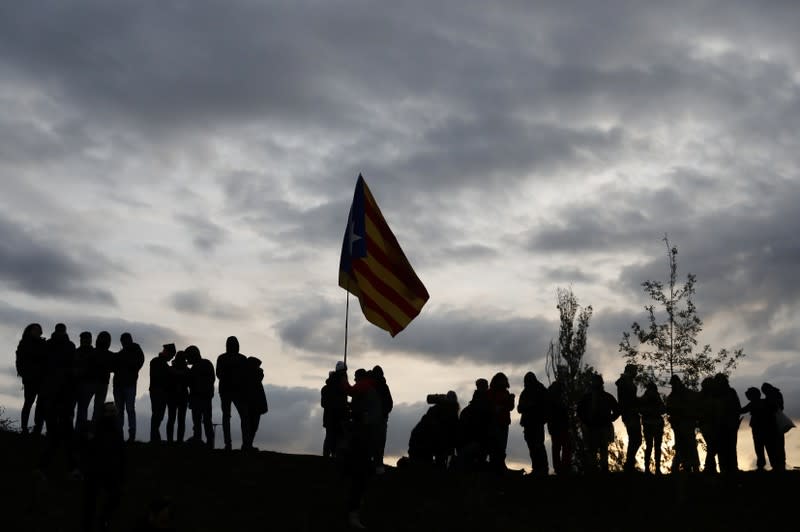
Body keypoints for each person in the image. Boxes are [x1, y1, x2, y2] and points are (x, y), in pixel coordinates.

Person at [39, 323, 78, 473]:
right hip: (58, 390)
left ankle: (48, 464)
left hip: (58, 390)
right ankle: (69, 466)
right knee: (62, 426)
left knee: (58, 426)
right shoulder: (68, 346)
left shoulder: (51, 345)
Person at [81, 402, 125, 532]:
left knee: (112, 498)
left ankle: (101, 521)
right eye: (110, 412)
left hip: (107, 471)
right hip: (96, 470)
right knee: (91, 503)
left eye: (114, 412)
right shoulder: (97, 429)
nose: (112, 414)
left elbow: (121, 453)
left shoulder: (114, 431)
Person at [576, 374, 620, 473]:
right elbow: (579, 411)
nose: (596, 384)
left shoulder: (607, 397)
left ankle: (603, 469)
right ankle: (594, 469)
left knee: (602, 448)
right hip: (592, 427)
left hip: (602, 427)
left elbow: (617, 410)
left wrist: (610, 419)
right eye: (595, 382)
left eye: (598, 382)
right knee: (593, 449)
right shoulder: (587, 398)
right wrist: (586, 422)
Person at [408, 391, 460, 468]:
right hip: (422, 447)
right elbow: (444, 436)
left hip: (420, 446)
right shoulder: (447, 414)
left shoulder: (436, 410)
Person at [216, 336, 248, 451]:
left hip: (232, 391)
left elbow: (219, 374)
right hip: (230, 391)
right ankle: (234, 444)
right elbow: (219, 374)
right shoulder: (241, 358)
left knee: (240, 416)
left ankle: (241, 443)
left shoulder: (223, 358)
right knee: (238, 416)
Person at [15, 323, 47, 435]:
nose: (37, 332)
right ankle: (24, 428)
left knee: (41, 404)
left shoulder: (43, 344)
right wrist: (24, 374)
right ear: (29, 331)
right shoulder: (24, 344)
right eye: (35, 329)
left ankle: (37, 428)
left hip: (42, 379)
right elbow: (19, 361)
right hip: (30, 379)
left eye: (38, 330)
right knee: (28, 403)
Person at [113, 332, 145, 442]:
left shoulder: (128, 352)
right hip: (124, 385)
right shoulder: (127, 353)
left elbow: (138, 363)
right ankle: (125, 434)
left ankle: (127, 434)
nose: (124, 343)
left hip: (126, 385)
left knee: (126, 410)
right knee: (125, 410)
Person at [517, 371, 550, 475]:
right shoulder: (525, 392)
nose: (527, 382)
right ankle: (537, 468)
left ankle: (543, 469)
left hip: (537, 423)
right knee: (532, 447)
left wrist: (532, 406)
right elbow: (519, 408)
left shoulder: (541, 390)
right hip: (528, 424)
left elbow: (545, 405)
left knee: (538, 446)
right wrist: (528, 406)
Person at [666, 375, 700, 473]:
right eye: (672, 384)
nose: (673, 386)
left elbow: (696, 402)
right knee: (682, 447)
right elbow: (668, 409)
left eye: (674, 384)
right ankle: (687, 467)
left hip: (687, 424)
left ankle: (694, 467)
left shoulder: (687, 394)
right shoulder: (672, 396)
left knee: (690, 446)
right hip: (679, 425)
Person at [455, 378, 491, 470]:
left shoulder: (469, 409)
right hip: (476, 444)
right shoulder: (484, 406)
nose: (486, 388)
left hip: (472, 445)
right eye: (485, 387)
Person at [185, 345, 215, 448]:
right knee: (205, 421)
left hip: (200, 397)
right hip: (204, 397)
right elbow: (212, 379)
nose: (188, 360)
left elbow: (191, 383)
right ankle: (206, 441)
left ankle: (200, 440)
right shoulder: (206, 363)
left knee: (200, 421)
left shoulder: (196, 367)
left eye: (189, 357)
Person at [740, 387, 775, 471]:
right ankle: (773, 465)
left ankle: (761, 465)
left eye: (749, 396)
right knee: (768, 447)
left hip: (758, 428)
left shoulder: (753, 403)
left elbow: (742, 410)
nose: (748, 397)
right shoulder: (765, 402)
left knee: (759, 447)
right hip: (766, 428)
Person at [486, 372, 515, 473]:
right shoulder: (491, 392)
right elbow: (490, 406)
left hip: (504, 423)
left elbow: (511, 408)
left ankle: (500, 466)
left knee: (502, 446)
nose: (503, 382)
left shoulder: (505, 392)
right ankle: (495, 467)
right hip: (495, 423)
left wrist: (511, 400)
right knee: (495, 446)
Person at [615, 364, 641, 473]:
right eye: (635, 371)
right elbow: (625, 401)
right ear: (630, 371)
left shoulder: (626, 381)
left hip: (631, 413)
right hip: (629, 414)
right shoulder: (624, 382)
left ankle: (629, 464)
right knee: (635, 439)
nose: (636, 373)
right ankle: (629, 465)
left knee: (636, 439)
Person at [321, 362, 349, 458]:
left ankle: (327, 456)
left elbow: (323, 404)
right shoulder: (342, 386)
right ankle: (335, 455)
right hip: (339, 416)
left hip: (330, 417)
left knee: (330, 437)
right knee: (338, 437)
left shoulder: (325, 389)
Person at [149, 344, 176, 443]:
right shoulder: (159, 363)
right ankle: (154, 438)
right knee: (157, 415)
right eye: (172, 355)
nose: (172, 357)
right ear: (167, 352)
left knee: (157, 415)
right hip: (158, 392)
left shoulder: (157, 362)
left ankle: (155, 437)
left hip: (157, 392)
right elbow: (162, 377)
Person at [547, 368, 572, 474]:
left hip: (559, 424)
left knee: (561, 446)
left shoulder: (559, 391)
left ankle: (562, 468)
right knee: (560, 446)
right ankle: (560, 468)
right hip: (557, 424)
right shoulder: (556, 392)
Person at [241, 356, 268, 451]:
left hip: (255, 405)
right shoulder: (250, 376)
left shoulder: (254, 375)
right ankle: (247, 445)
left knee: (252, 426)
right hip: (252, 405)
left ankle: (248, 444)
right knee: (251, 426)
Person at [638, 382, 665, 474]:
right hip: (651, 424)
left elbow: (663, 409)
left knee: (653, 446)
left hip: (653, 424)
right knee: (653, 446)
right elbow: (640, 410)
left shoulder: (653, 398)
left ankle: (653, 468)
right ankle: (650, 469)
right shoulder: (646, 398)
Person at [73, 331, 96, 435]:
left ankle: (78, 431)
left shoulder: (77, 352)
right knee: (81, 409)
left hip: (85, 383)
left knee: (81, 409)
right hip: (79, 383)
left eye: (86, 338)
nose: (85, 340)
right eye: (84, 338)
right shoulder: (92, 352)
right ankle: (79, 431)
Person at [371, 365, 393, 473]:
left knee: (375, 443)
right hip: (378, 420)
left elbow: (389, 404)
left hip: (376, 419)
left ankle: (376, 464)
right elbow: (390, 404)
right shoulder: (382, 386)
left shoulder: (373, 386)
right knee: (378, 443)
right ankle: (378, 465)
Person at [90, 331, 114, 424]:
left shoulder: (92, 352)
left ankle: (81, 430)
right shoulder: (110, 355)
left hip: (90, 381)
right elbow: (113, 367)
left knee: (83, 406)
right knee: (98, 408)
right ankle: (94, 429)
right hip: (102, 382)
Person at [166, 350, 190, 443]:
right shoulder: (187, 371)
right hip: (180, 396)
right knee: (180, 420)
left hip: (174, 396)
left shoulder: (170, 369)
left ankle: (171, 441)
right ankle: (178, 441)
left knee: (172, 419)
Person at [761, 382, 786, 471]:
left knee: (776, 445)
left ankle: (779, 465)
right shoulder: (776, 395)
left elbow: (778, 407)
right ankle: (778, 465)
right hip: (774, 424)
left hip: (774, 423)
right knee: (777, 445)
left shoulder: (773, 396)